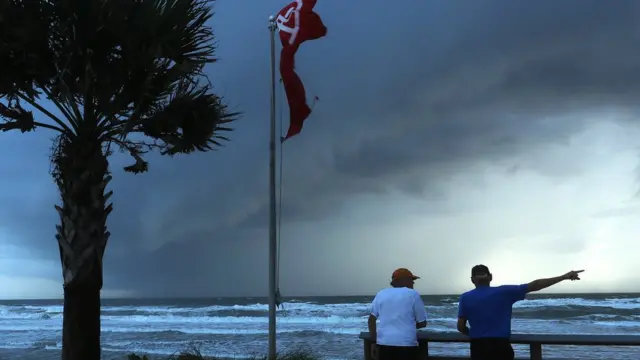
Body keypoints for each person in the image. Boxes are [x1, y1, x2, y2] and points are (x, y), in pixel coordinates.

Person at [457, 264, 584, 360]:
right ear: (490, 277)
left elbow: (461, 327)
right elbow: (535, 285)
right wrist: (564, 276)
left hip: (478, 347)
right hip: (501, 346)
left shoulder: (465, 297)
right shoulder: (504, 292)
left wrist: (474, 333)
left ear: (472, 279)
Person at [368, 268, 428, 360]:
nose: (413, 283)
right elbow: (423, 323)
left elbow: (371, 320)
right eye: (411, 280)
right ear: (404, 280)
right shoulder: (413, 294)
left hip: (384, 344)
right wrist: (407, 324)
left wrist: (373, 342)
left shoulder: (381, 294)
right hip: (407, 345)